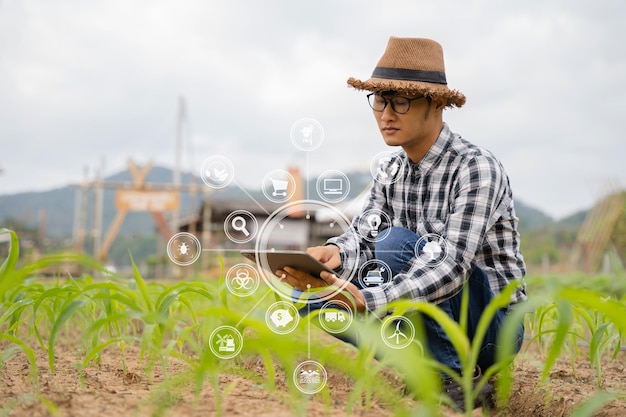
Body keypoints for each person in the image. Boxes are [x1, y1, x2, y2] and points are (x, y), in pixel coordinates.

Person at [277, 36, 527, 411]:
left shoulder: (476, 168)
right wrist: (334, 255)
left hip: (491, 328)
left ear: (438, 103)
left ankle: (457, 377)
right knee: (314, 295)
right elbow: (363, 235)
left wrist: (368, 298)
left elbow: (451, 266)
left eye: (401, 101)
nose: (386, 114)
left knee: (396, 244)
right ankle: (428, 373)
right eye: (379, 100)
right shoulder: (391, 170)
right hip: (430, 313)